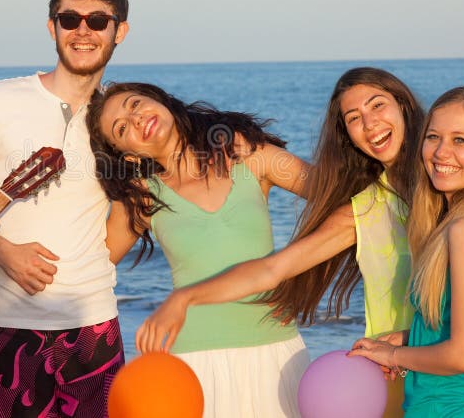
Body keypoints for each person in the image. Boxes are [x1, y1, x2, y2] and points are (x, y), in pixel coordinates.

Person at [133, 68, 464, 417]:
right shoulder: (369, 207)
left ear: (405, 107)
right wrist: (187, 297)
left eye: (378, 105)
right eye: (353, 118)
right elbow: (274, 268)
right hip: (405, 384)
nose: (370, 123)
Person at [0, 0, 130, 418]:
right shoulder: (1, 99)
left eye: (98, 21)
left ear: (119, 31)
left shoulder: (122, 113)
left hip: (93, 327)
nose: (83, 32)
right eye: (70, 20)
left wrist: (82, 271)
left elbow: (127, 218)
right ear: (52, 27)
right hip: (9, 323)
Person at [86, 81, 312, 418]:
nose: (135, 120)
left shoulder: (245, 153)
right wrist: (2, 253)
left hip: (277, 352)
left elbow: (338, 201)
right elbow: (90, 267)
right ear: (129, 155)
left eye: (135, 105)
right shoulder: (143, 195)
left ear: (161, 101)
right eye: (122, 128)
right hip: (194, 362)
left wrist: (300, 275)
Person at [349, 87, 464, 416]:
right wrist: (411, 339)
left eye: (460, 141)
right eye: (433, 137)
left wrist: (392, 358)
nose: (440, 153)